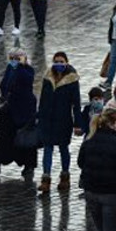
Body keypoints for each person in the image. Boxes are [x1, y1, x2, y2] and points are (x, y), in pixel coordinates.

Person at [0, 48, 38, 178]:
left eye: (17, 58)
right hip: (9, 108)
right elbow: (4, 85)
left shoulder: (28, 70)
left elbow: (26, 80)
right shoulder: (10, 69)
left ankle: (29, 166)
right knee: (3, 137)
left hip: (25, 109)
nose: (14, 61)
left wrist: (20, 66)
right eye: (12, 58)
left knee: (26, 138)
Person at [37, 52, 82, 194]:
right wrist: (39, 116)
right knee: (47, 149)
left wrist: (77, 123)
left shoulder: (72, 80)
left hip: (63, 120)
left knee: (63, 148)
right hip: (47, 120)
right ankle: (46, 179)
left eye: (61, 61)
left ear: (67, 62)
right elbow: (43, 99)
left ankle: (65, 176)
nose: (59, 64)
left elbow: (76, 103)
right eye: (56, 61)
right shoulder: (48, 77)